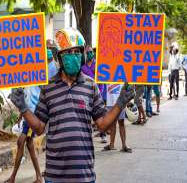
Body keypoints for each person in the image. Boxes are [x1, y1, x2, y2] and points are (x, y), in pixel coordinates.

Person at [9, 28, 135, 183]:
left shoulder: (91, 86)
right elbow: (40, 128)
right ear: (60, 57)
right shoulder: (48, 88)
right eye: (68, 52)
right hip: (54, 175)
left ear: (82, 55)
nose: (73, 55)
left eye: (77, 51)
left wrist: (120, 103)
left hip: (84, 174)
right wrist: (23, 108)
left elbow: (102, 125)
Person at [6, 48, 58, 183]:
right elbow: (27, 94)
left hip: (34, 112)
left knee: (21, 142)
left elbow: (47, 89)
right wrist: (21, 114)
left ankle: (13, 178)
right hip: (28, 112)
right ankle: (39, 177)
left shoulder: (48, 71)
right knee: (28, 145)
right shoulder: (32, 71)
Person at [81, 45, 107, 143]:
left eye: (90, 52)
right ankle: (87, 137)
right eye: (87, 52)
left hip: (98, 93)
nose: (89, 54)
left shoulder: (98, 65)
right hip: (86, 94)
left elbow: (101, 80)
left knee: (99, 117)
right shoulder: (82, 68)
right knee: (86, 117)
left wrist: (100, 92)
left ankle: (103, 135)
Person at [102, 84, 132, 153]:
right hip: (110, 101)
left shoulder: (123, 74)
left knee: (121, 122)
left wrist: (128, 99)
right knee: (112, 123)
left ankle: (124, 145)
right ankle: (111, 144)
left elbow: (128, 86)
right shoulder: (105, 74)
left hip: (121, 101)